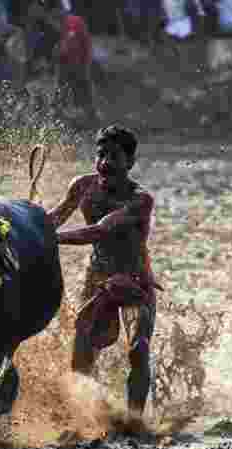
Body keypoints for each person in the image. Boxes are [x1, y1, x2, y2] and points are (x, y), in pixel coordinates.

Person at [48, 125, 160, 427]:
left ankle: (135, 422)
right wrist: (25, 226)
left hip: (135, 280)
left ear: (130, 162)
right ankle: (83, 417)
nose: (105, 163)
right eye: (101, 155)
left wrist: (50, 238)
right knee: (82, 348)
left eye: (114, 156)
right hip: (97, 277)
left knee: (138, 348)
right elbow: (55, 218)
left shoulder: (141, 199)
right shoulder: (82, 186)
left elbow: (99, 230)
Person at [56, 13, 96, 123]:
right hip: (62, 65)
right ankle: (64, 116)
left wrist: (86, 63)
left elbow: (86, 43)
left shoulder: (75, 22)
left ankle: (89, 115)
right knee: (63, 91)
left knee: (82, 90)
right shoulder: (46, 23)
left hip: (77, 65)